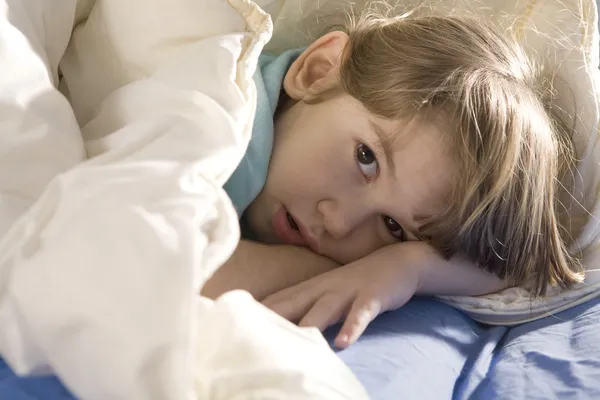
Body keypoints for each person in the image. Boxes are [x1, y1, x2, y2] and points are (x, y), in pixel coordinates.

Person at [201, 10, 585, 349]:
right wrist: (324, 272)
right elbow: (174, 268)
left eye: (393, 227)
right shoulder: (218, 117)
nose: (339, 222)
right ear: (317, 71)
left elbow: (508, 270)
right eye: (366, 158)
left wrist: (409, 267)